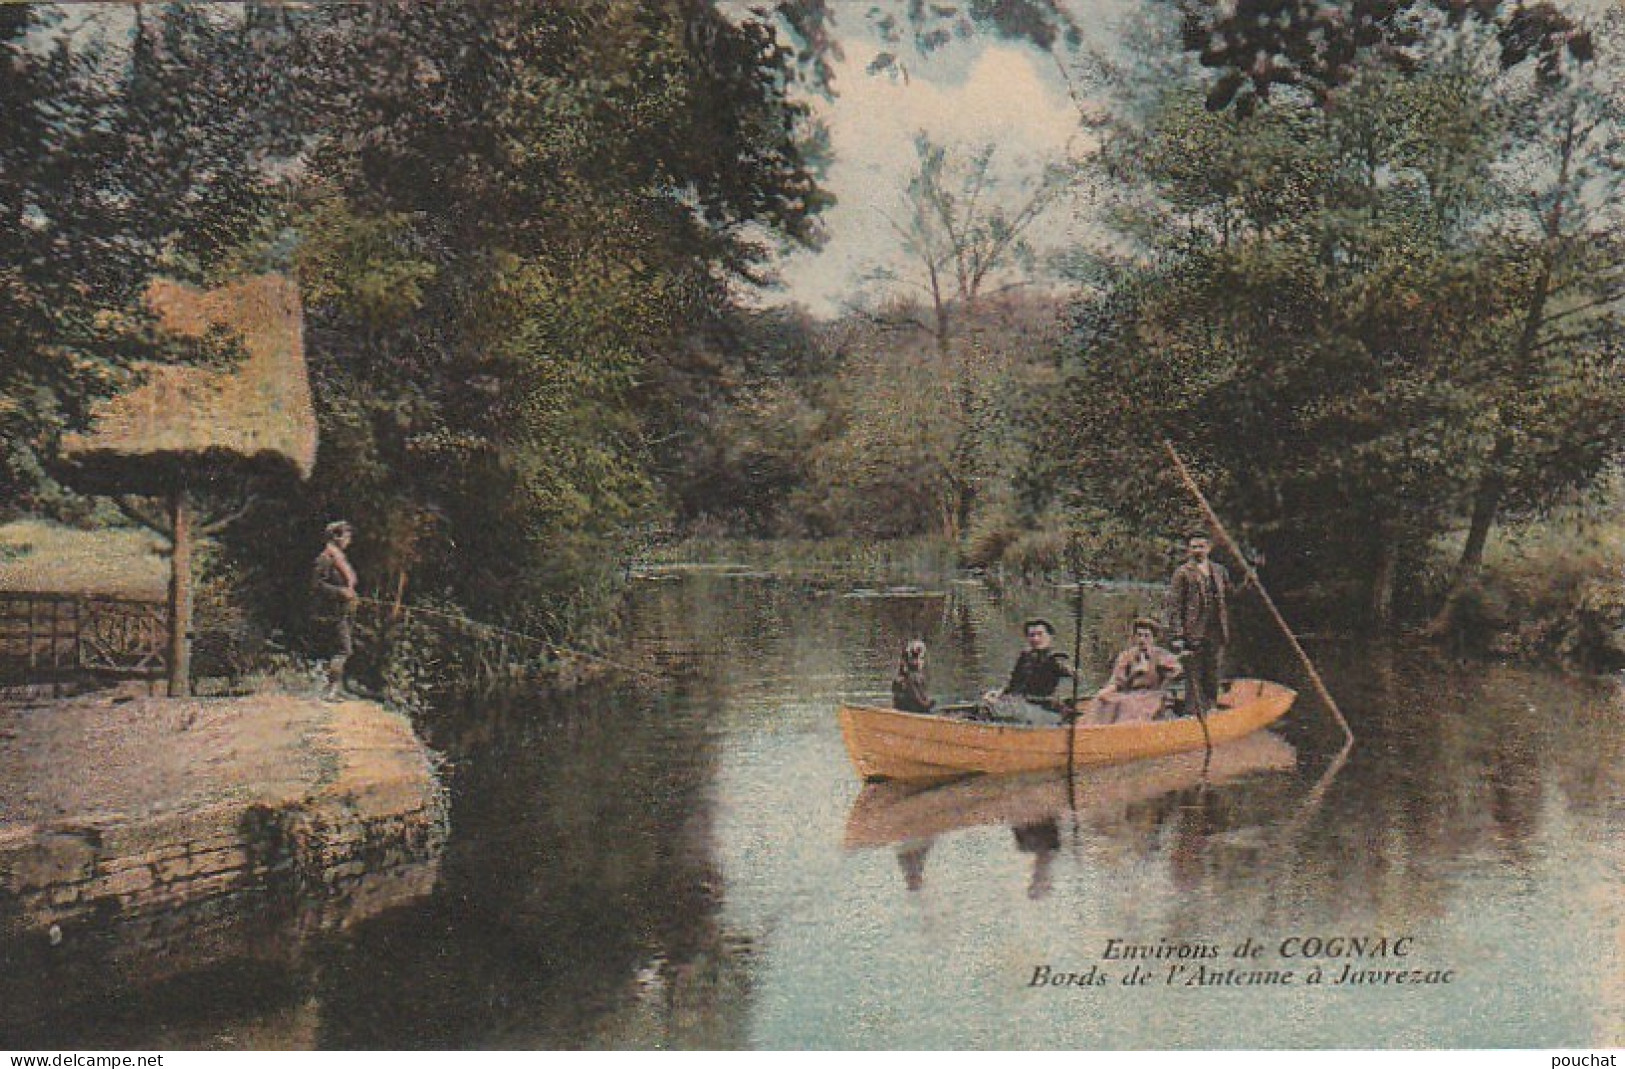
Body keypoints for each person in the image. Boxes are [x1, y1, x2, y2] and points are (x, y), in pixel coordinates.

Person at [1164, 533, 1247, 716]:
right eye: (1193, 547)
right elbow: (1174, 606)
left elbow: (1232, 595)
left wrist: (1248, 581)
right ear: (1189, 549)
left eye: (1201, 546)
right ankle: (1193, 714)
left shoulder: (1219, 571)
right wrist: (1178, 636)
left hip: (1215, 630)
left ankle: (1211, 709)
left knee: (1212, 672)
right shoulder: (1183, 572)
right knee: (1193, 674)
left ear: (1209, 548)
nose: (1197, 550)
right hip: (1192, 632)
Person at [979, 619, 1075, 726]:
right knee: (986, 704)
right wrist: (999, 693)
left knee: (1001, 709)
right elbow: (1013, 684)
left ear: (1050, 636)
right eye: (1032, 635)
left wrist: (1069, 670)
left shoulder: (1056, 658)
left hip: (1043, 709)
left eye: (1040, 634)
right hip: (1020, 704)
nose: (1036, 639)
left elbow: (1069, 670)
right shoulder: (1025, 657)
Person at [1094, 617, 1182, 725]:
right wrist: (1106, 691)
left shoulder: (1160, 655)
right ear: (1134, 637)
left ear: (1153, 638)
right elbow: (1117, 681)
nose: (1142, 639)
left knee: (1132, 706)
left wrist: (1163, 670)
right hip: (1130, 694)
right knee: (1105, 702)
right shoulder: (1126, 656)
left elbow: (1176, 671)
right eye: (1139, 635)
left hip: (1153, 695)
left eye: (1146, 636)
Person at [312, 520, 358, 701]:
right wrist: (341, 592)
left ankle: (335, 688)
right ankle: (331, 691)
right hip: (331, 611)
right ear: (336, 537)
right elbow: (317, 585)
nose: (349, 540)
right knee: (343, 650)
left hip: (343, 610)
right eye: (347, 536)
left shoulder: (339, 558)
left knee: (341, 649)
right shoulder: (325, 558)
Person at [891, 639, 934, 714]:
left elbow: (922, 691)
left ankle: (922, 704)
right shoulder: (905, 678)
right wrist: (924, 703)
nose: (918, 662)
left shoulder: (918, 677)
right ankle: (922, 704)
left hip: (915, 705)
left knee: (918, 681)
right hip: (906, 706)